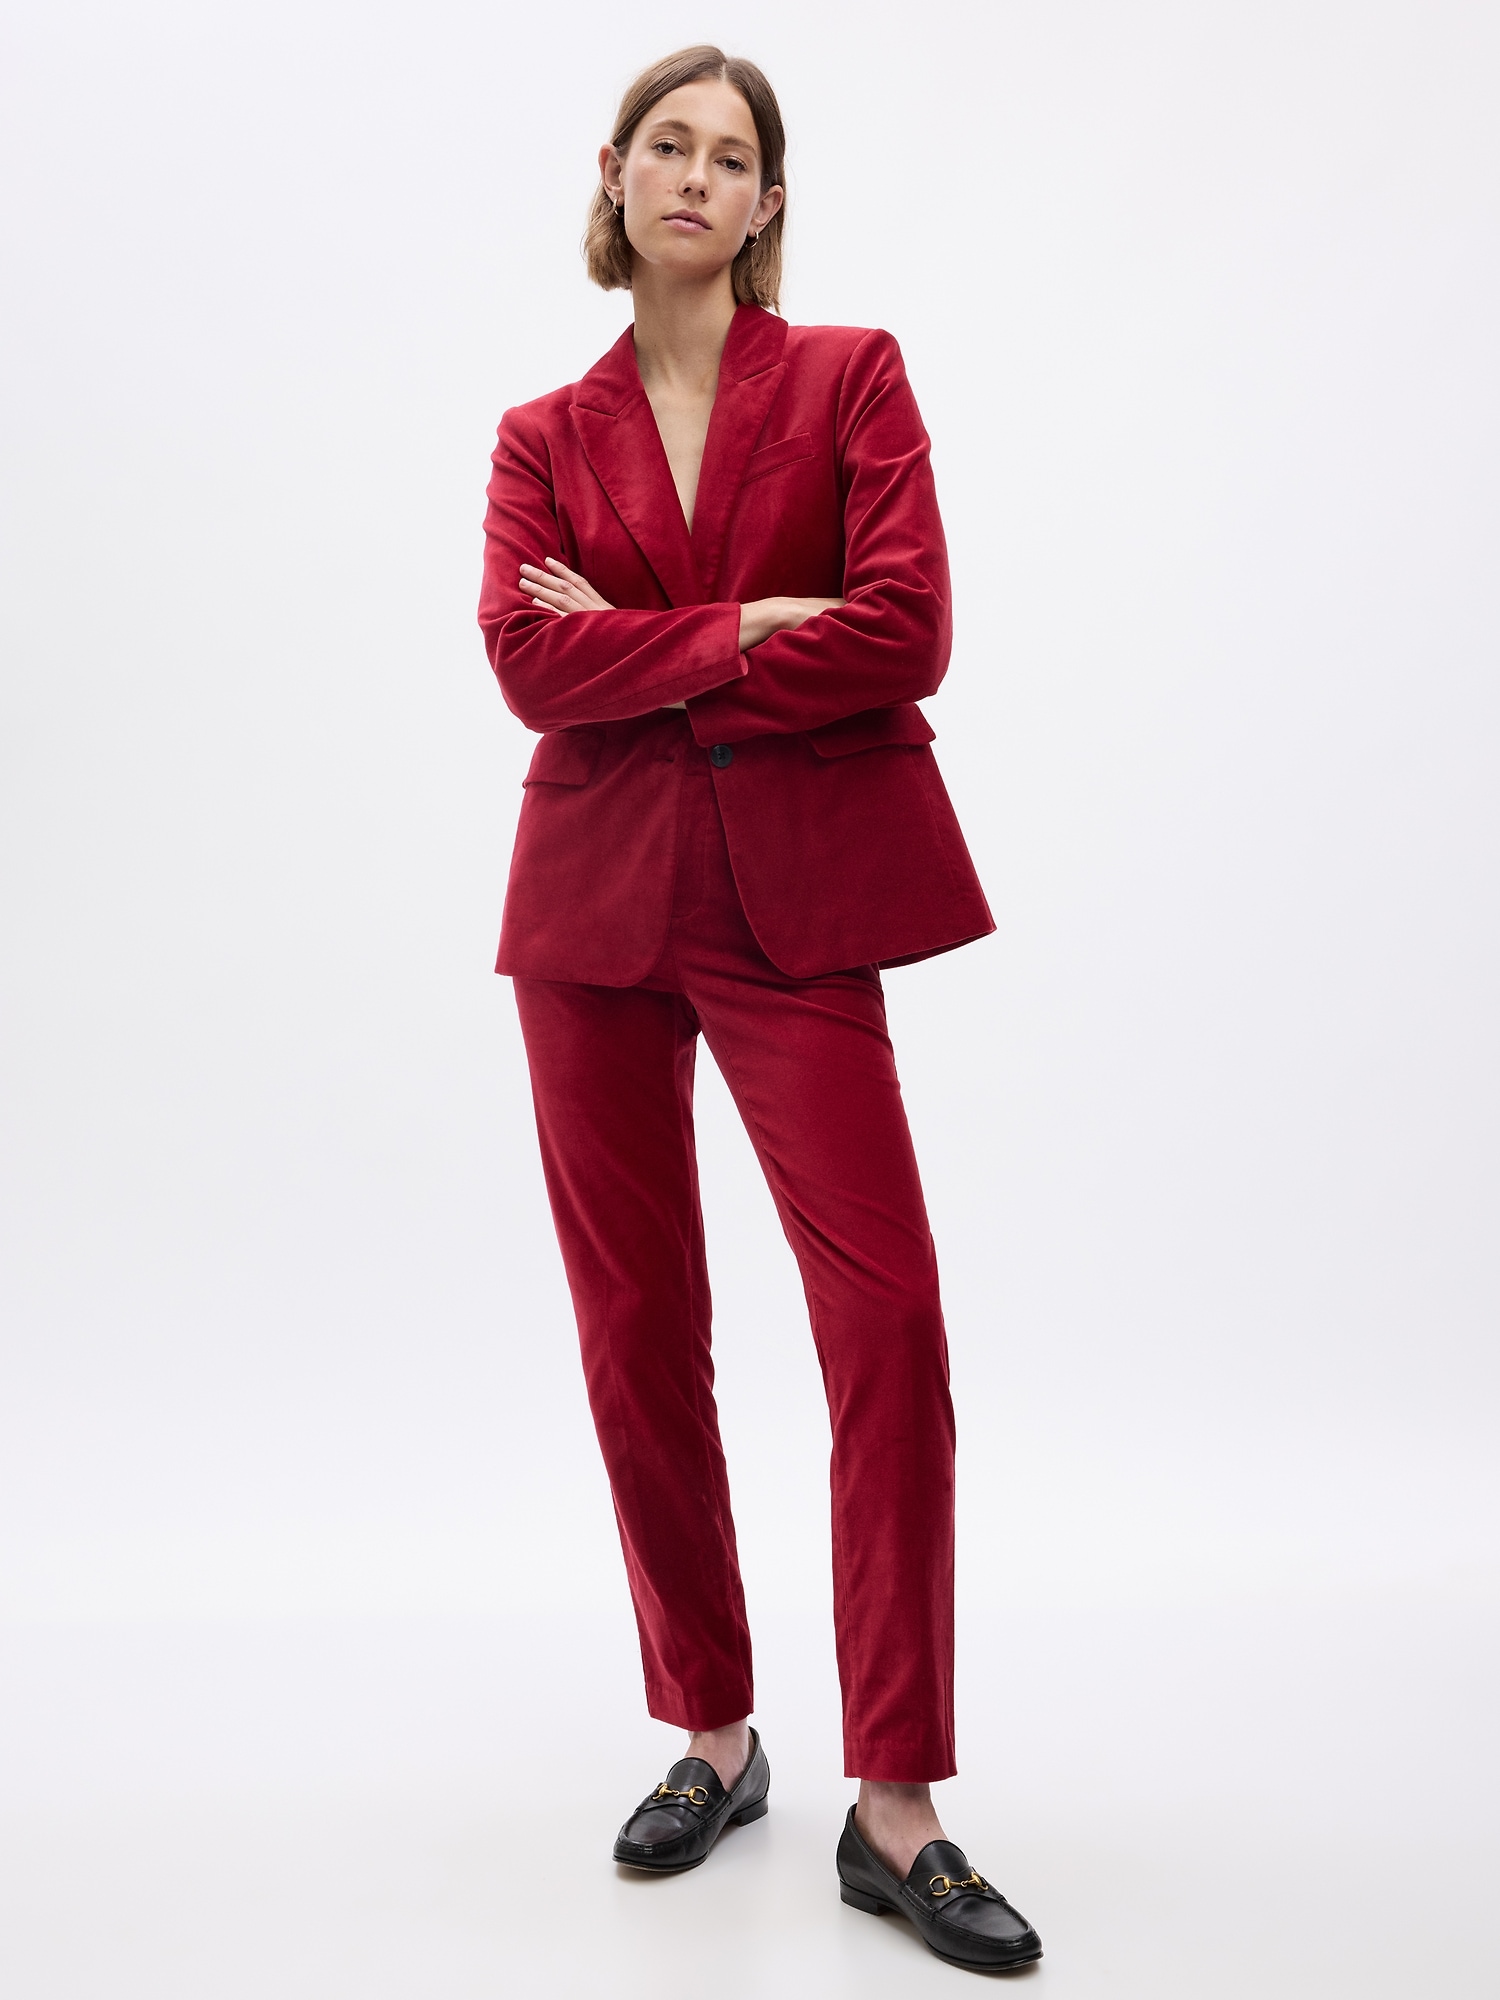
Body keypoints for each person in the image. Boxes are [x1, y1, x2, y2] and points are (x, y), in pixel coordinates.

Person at [477, 44, 1041, 1973]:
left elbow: (910, 626)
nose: (697, 177)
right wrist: (751, 628)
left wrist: (649, 646)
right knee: (641, 1330)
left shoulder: (853, 378)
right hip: (593, 909)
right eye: (669, 146)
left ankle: (898, 1803)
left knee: (887, 1321)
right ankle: (714, 1735)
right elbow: (525, 668)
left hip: (799, 911)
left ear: (768, 203)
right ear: (617, 174)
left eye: (733, 157)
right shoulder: (541, 435)